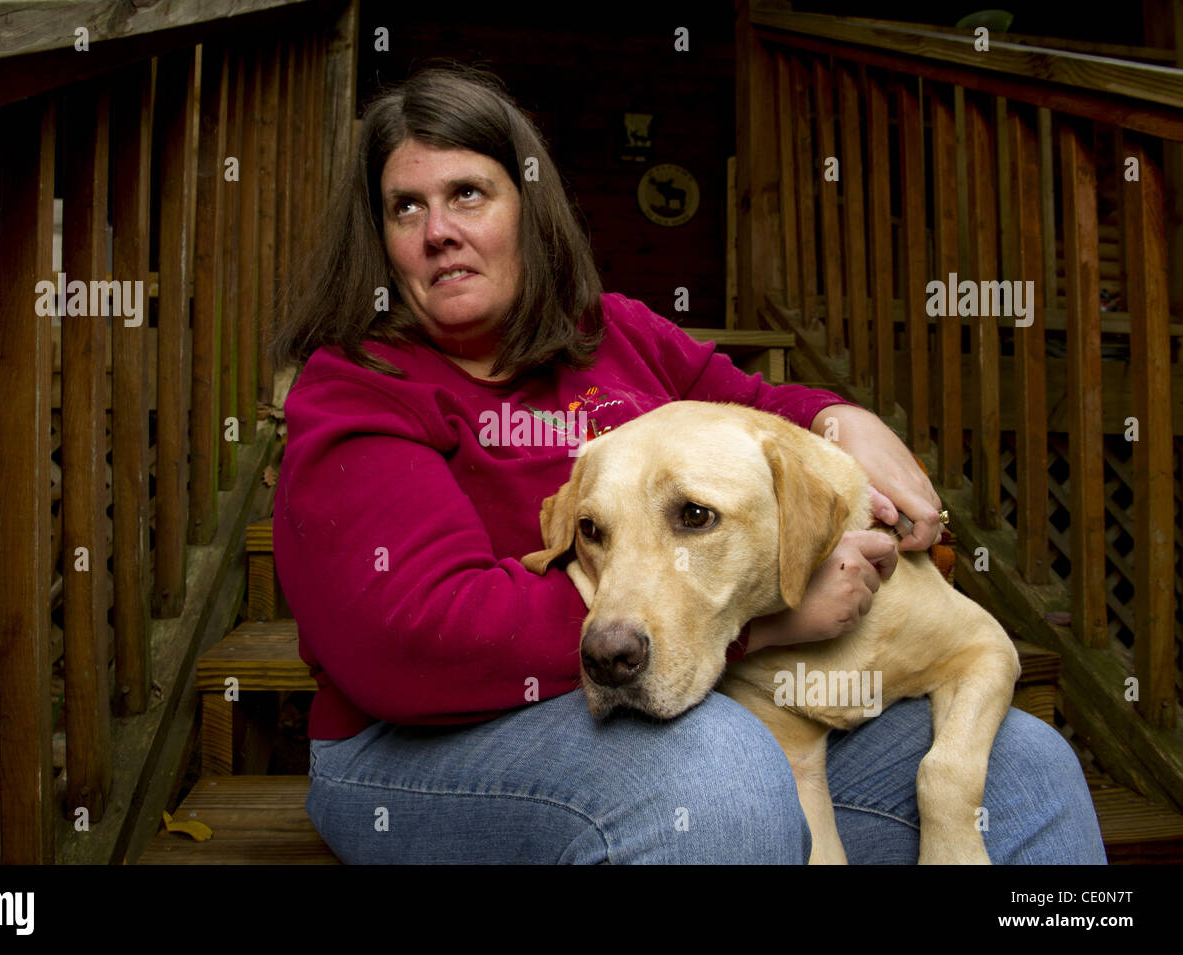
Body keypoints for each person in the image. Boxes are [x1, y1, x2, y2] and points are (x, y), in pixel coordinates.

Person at [267, 62, 1105, 864]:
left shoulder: (615, 332)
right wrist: (752, 620)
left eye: (468, 194)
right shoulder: (354, 391)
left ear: (528, 208)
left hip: (677, 693)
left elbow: (749, 408)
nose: (438, 229)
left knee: (1028, 769)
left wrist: (837, 416)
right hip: (415, 751)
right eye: (404, 208)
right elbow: (418, 637)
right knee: (713, 769)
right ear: (379, 241)